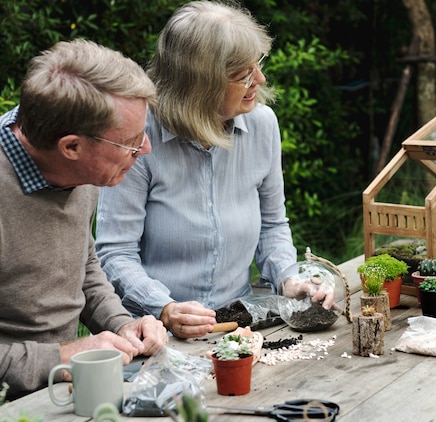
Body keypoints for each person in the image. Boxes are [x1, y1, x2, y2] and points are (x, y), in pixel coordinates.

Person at [95, 1, 334, 340]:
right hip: (152, 333)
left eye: (258, 65)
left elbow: (272, 225)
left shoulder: (263, 125)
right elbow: (115, 253)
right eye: (243, 76)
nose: (261, 79)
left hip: (237, 323)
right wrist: (164, 306)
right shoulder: (139, 134)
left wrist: (288, 277)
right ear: (200, 85)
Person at [0, 39, 169, 400]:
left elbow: (83, 266)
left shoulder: (82, 170)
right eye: (130, 142)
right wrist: (60, 356)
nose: (146, 150)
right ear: (72, 147)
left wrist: (122, 324)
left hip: (65, 385)